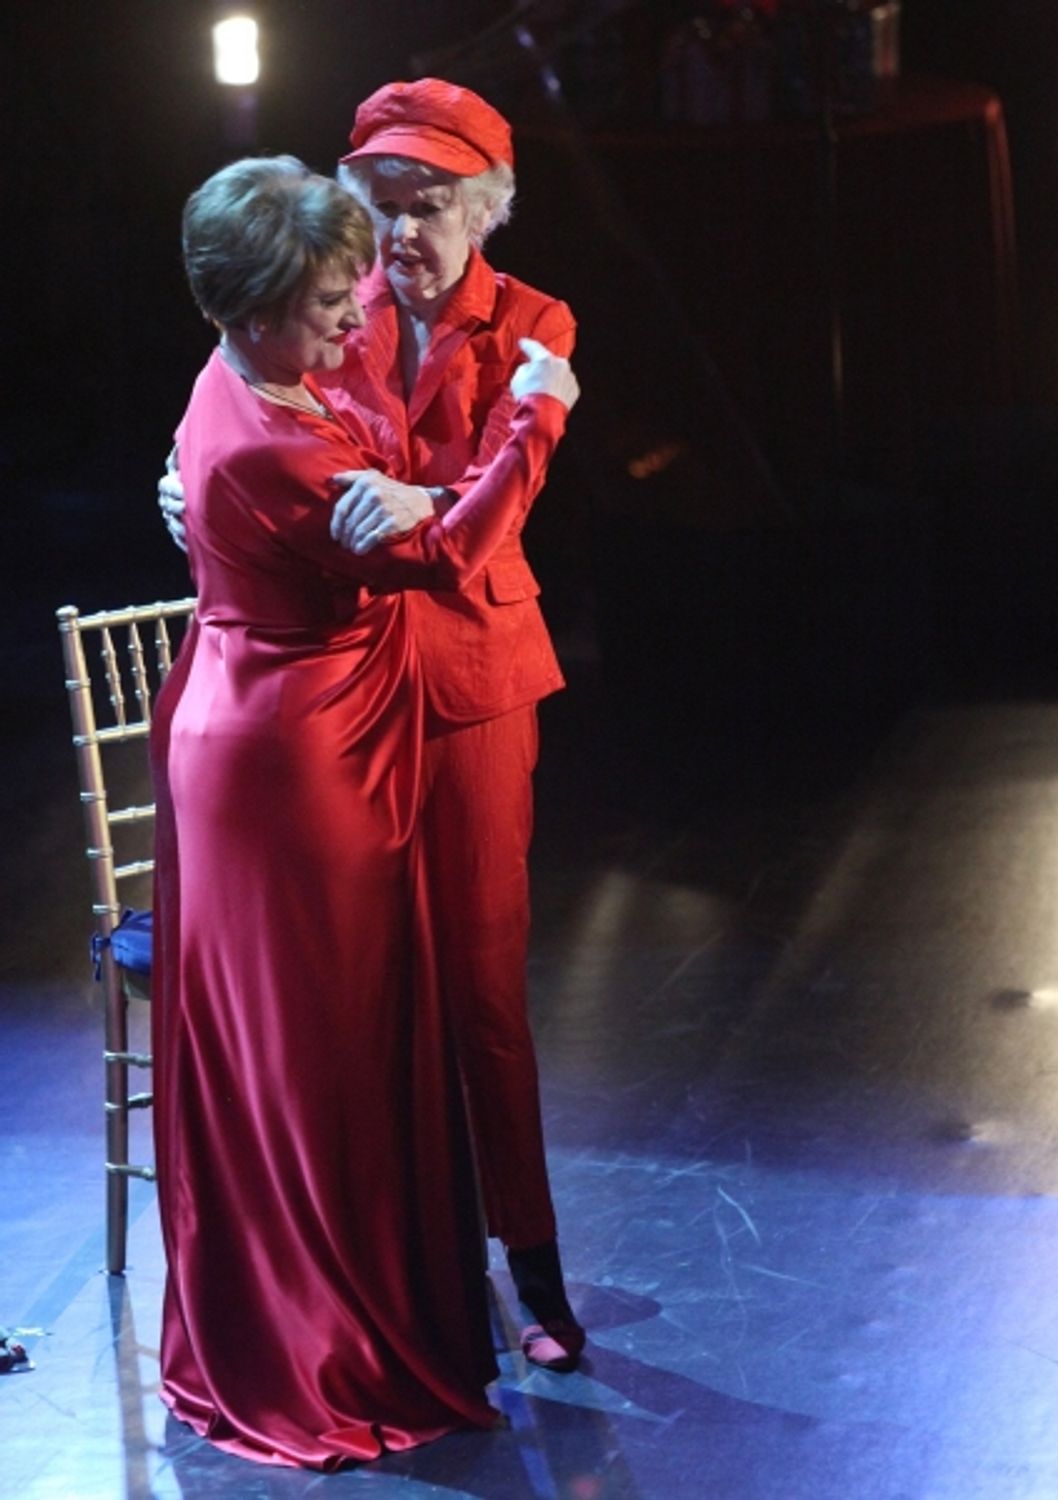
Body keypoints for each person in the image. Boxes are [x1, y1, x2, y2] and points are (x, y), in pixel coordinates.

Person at [152, 154, 578, 1470]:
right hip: (296, 766)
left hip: (291, 728)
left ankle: (347, 1299)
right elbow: (444, 555)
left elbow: (367, 455)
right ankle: (327, 1336)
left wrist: (409, 482)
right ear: (261, 305)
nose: (356, 319)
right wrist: (534, 423)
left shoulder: (255, 379)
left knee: (335, 1042)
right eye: (332, 300)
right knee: (325, 1051)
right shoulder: (273, 437)